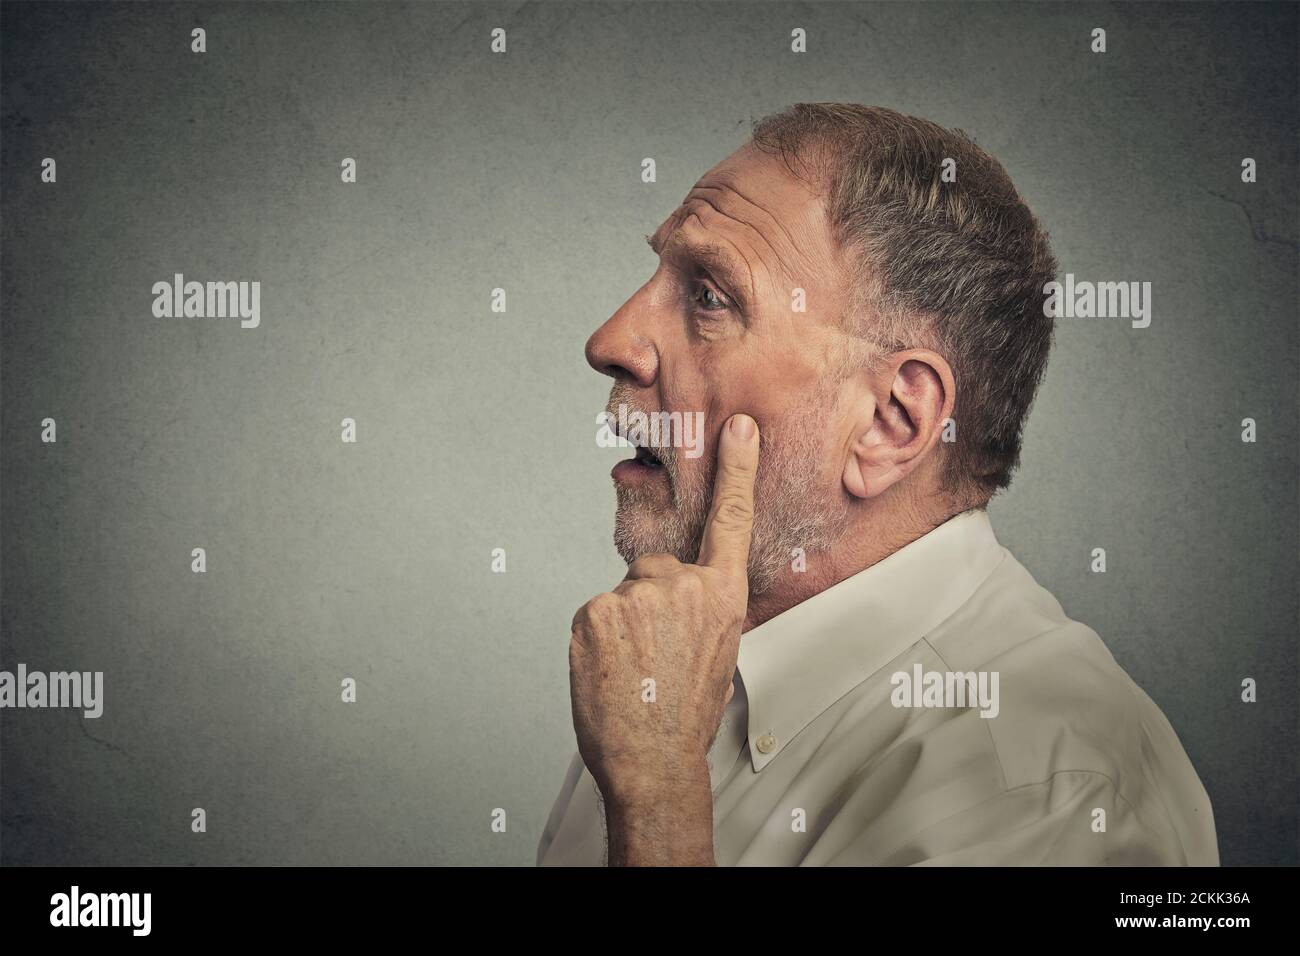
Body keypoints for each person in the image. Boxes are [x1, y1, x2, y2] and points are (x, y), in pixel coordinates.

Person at [537, 103, 1218, 866]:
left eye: (709, 297)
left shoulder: (1050, 792)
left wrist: (659, 800)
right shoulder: (671, 664)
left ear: (892, 423)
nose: (611, 341)